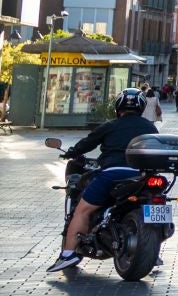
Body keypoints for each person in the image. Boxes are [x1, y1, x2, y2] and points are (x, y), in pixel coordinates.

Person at [44, 91, 159, 273]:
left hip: (112, 173)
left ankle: (68, 254)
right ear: (141, 108)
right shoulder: (150, 128)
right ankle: (152, 250)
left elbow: (88, 143)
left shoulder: (111, 125)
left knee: (82, 211)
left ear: (118, 108)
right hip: (140, 176)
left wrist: (71, 152)